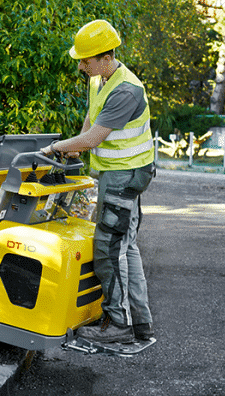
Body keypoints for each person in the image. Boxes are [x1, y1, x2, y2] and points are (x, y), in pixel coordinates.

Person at [40, 19, 155, 343]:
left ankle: (118, 325)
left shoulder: (126, 90)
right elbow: (91, 124)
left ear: (107, 57)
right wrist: (76, 145)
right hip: (122, 172)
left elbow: (92, 139)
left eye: (86, 60)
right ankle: (140, 323)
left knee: (107, 246)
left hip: (125, 175)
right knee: (124, 245)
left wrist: (56, 148)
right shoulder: (99, 79)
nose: (81, 65)